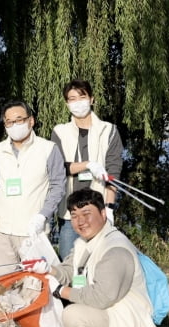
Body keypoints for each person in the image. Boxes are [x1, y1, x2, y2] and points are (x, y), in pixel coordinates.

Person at [24, 188, 157, 327]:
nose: (80, 222)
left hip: (125, 315)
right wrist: (47, 269)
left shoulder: (115, 248)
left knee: (73, 315)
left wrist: (60, 290)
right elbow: (70, 268)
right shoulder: (85, 242)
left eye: (87, 214)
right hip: (110, 308)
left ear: (103, 214)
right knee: (64, 311)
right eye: (75, 216)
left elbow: (100, 297)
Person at [0, 100, 66, 276]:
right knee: (5, 283)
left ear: (31, 121)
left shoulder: (48, 149)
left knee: (34, 284)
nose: (14, 125)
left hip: (33, 229)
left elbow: (58, 186)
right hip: (2, 228)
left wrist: (43, 216)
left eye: (19, 120)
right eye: (9, 122)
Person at [52, 79, 123, 259]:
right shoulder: (60, 131)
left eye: (81, 97)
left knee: (99, 265)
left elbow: (113, 171)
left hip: (98, 210)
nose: (77, 103)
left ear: (92, 99)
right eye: (72, 99)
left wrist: (109, 207)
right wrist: (87, 165)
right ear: (67, 103)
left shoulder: (109, 130)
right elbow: (58, 167)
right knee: (71, 265)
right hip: (70, 214)